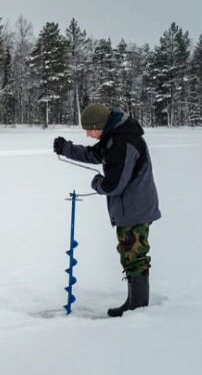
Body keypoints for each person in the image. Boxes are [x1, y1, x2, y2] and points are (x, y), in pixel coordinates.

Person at [53, 103, 160, 317]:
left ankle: (138, 307)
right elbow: (94, 155)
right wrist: (67, 149)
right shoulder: (113, 138)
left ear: (100, 125)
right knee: (129, 253)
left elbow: (113, 185)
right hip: (129, 207)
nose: (88, 134)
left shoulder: (123, 142)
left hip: (134, 208)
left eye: (90, 129)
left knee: (134, 255)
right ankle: (135, 302)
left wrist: (96, 182)